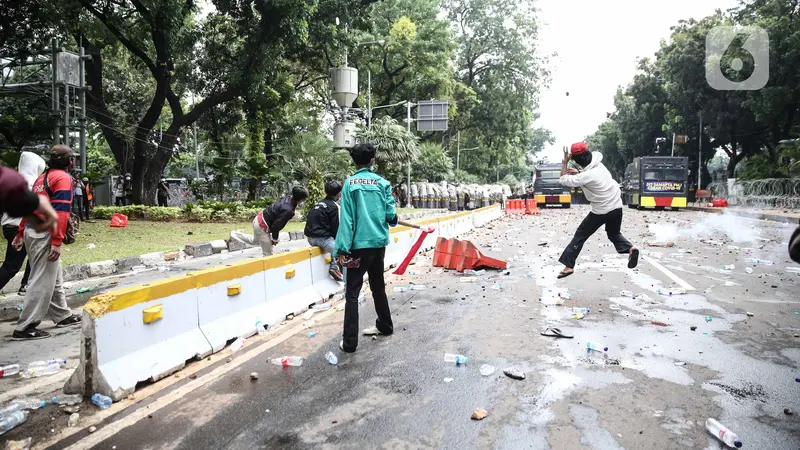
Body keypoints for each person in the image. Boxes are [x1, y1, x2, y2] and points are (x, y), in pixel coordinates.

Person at [11, 145, 82, 340]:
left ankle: (62, 315)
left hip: (31, 230)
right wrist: (57, 241)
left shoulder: (42, 178)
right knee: (41, 279)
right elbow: (61, 212)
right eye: (72, 159)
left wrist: (20, 232)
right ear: (69, 161)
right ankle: (25, 326)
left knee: (53, 274)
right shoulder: (63, 178)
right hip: (45, 233)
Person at [334, 143, 397, 353]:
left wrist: (341, 249)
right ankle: (386, 325)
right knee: (378, 286)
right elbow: (391, 216)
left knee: (352, 293)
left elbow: (347, 220)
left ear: (355, 161)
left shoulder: (350, 184)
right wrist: (393, 219)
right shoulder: (382, 183)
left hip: (357, 247)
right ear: (372, 161)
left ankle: (350, 343)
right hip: (378, 245)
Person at [556, 142, 639, 279]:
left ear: (578, 161)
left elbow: (563, 180)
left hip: (601, 210)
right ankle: (630, 248)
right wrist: (578, 172)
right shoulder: (600, 166)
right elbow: (590, 175)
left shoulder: (586, 176)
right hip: (617, 206)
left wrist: (565, 162)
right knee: (614, 233)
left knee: (580, 235)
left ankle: (568, 266)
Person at [0, 152, 46, 295]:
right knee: (12, 265)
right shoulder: (34, 184)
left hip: (8, 226)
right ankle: (26, 285)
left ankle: (26, 285)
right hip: (20, 228)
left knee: (35, 256)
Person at [230, 186, 309, 256]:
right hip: (262, 226)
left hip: (258, 219)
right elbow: (276, 226)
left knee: (255, 241)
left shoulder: (289, 197)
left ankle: (234, 235)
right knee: (269, 255)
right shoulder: (289, 210)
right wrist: (275, 239)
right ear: (301, 199)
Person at [305, 181, 343, 282]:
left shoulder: (318, 203)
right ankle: (346, 282)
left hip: (310, 238)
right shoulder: (335, 207)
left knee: (334, 244)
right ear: (339, 194)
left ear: (325, 192)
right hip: (323, 239)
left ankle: (334, 266)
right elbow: (336, 229)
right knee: (344, 254)